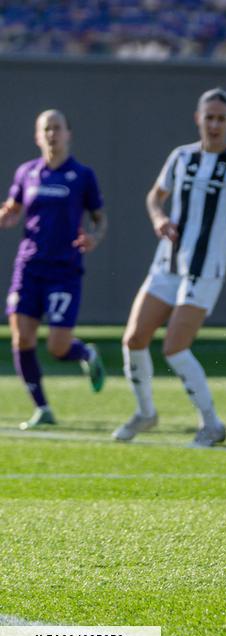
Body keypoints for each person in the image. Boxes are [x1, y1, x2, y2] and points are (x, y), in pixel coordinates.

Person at [113, 88, 226, 447]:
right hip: (167, 263)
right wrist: (157, 218)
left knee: (174, 347)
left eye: (221, 118)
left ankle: (212, 424)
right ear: (198, 119)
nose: (214, 124)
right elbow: (155, 195)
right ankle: (146, 413)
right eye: (209, 117)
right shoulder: (180, 157)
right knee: (134, 339)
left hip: (206, 268)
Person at [0, 110, 107, 429]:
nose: (51, 134)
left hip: (64, 270)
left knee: (58, 347)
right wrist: (6, 215)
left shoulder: (82, 175)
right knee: (21, 339)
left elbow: (100, 217)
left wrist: (95, 237)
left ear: (68, 134)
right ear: (37, 136)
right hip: (29, 267)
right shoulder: (27, 173)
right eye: (46, 129)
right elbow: (13, 209)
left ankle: (86, 354)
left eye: (57, 128)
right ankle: (42, 408)